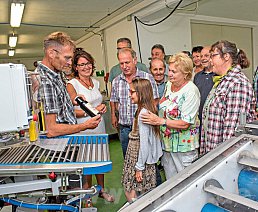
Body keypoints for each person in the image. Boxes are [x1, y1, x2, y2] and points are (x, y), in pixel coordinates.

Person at [141, 53, 200, 179]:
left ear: (185, 73)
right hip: (168, 145)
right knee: (171, 182)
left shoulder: (191, 91)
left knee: (186, 183)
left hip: (184, 148)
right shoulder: (169, 85)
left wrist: (160, 121)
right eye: (170, 70)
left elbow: (185, 123)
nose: (170, 74)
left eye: (174, 71)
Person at [66, 49, 114, 202]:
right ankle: (87, 195)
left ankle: (101, 190)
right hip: (83, 128)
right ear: (76, 67)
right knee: (86, 164)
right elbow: (72, 111)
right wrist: (92, 111)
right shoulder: (72, 85)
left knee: (100, 160)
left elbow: (97, 103)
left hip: (99, 127)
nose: (86, 67)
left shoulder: (96, 82)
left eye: (88, 64)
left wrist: (101, 107)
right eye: (82, 64)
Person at [34, 31, 101, 138]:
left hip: (68, 141)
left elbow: (60, 108)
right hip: (59, 146)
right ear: (51, 53)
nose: (70, 63)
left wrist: (72, 101)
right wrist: (84, 126)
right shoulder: (44, 81)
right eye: (67, 58)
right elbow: (51, 130)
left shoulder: (57, 73)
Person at [200, 40, 256, 156]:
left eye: (213, 56)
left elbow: (232, 134)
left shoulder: (237, 84)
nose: (210, 61)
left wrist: (221, 161)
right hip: (213, 154)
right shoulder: (222, 81)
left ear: (226, 57)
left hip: (224, 159)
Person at [110, 48, 159, 158]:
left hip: (143, 126)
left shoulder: (146, 78)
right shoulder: (116, 81)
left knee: (147, 158)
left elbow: (154, 101)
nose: (124, 66)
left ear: (135, 60)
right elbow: (114, 100)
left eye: (127, 62)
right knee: (128, 159)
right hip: (125, 128)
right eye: (121, 63)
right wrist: (113, 115)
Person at [121, 78, 163, 202]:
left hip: (139, 158)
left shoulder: (143, 113)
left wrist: (139, 167)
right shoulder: (144, 109)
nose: (130, 95)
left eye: (132, 92)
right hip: (139, 156)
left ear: (141, 93)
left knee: (131, 190)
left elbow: (145, 143)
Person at [193, 46, 216, 145]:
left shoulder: (217, 76)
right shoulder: (197, 76)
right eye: (201, 56)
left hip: (212, 118)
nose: (203, 58)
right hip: (199, 118)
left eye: (206, 55)